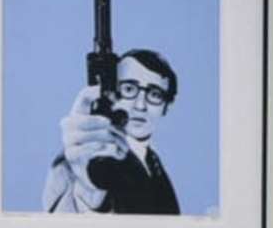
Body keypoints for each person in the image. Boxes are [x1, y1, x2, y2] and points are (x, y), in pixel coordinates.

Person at [44, 50, 183, 214]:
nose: (140, 105)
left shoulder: (153, 160)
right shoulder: (81, 155)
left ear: (166, 106)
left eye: (154, 94)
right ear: (110, 92)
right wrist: (91, 194)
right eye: (129, 89)